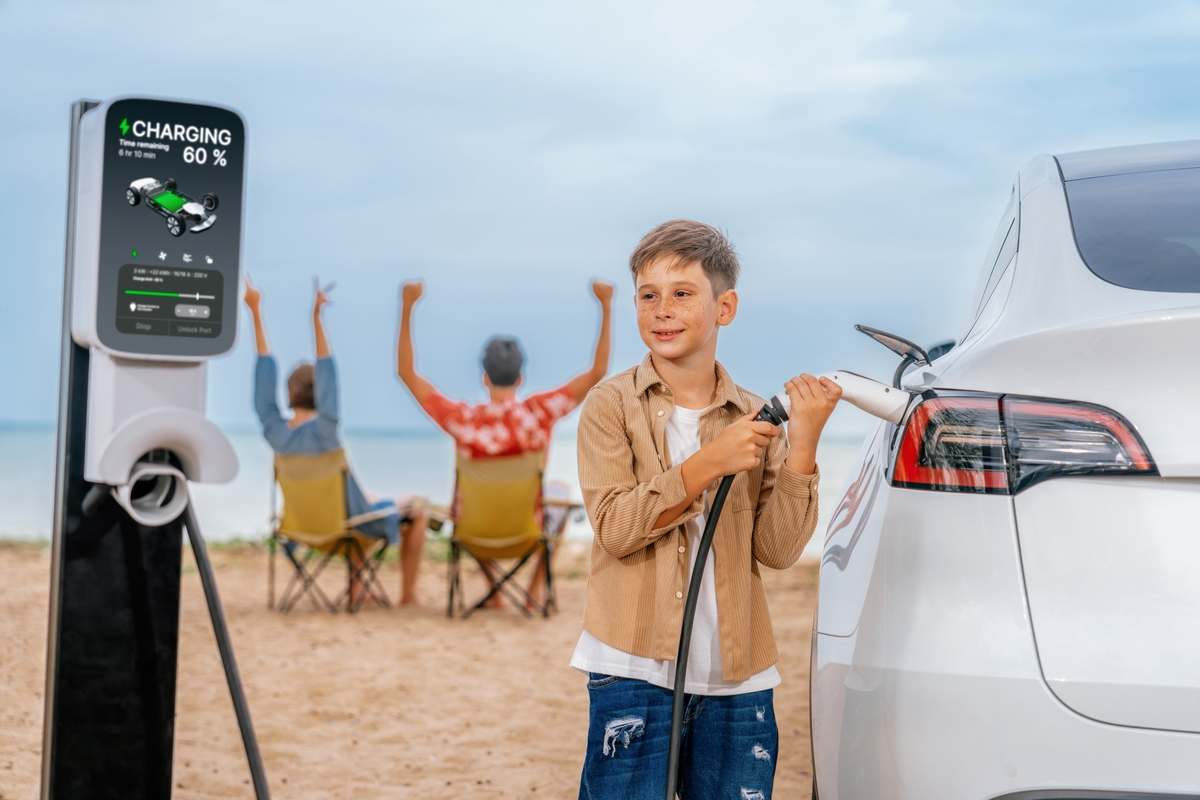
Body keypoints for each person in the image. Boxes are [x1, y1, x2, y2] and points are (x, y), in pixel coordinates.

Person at [569, 219, 842, 798]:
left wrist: (806, 446)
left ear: (725, 307)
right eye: (649, 295)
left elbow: (777, 550)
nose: (662, 309)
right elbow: (616, 528)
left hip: (736, 674)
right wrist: (706, 464)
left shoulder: (754, 417)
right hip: (632, 665)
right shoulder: (609, 405)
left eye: (682, 293)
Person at [396, 278, 613, 609]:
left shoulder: (463, 421)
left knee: (468, 507)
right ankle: (534, 590)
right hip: (527, 530)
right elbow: (597, 371)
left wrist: (408, 306)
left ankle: (495, 589)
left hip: (474, 533)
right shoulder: (539, 414)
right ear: (521, 378)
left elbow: (407, 374)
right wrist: (606, 305)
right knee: (558, 492)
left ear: (484, 377)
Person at [245, 278, 429, 606]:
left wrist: (255, 311)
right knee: (412, 510)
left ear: (288, 395)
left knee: (361, 504)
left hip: (300, 528)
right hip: (344, 528)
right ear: (321, 396)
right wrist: (317, 319)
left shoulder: (277, 435)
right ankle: (408, 595)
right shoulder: (325, 432)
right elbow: (328, 373)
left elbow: (263, 382)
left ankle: (360, 588)